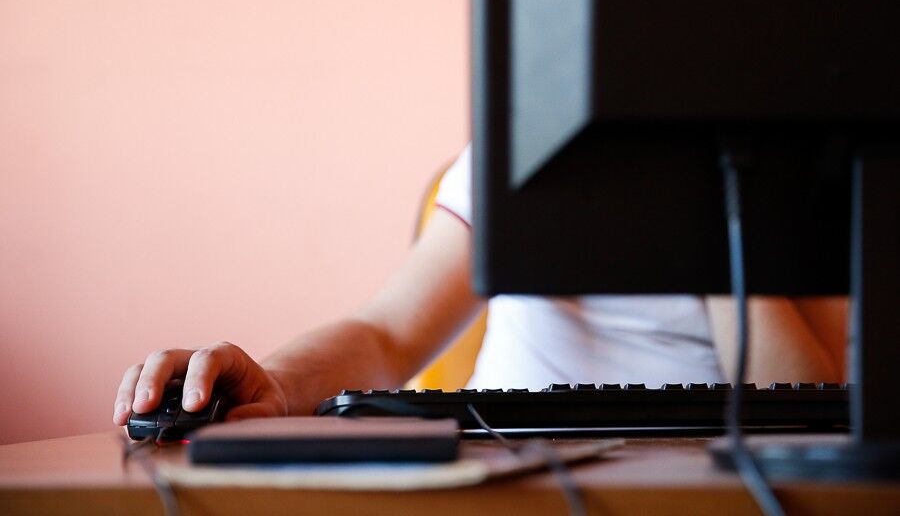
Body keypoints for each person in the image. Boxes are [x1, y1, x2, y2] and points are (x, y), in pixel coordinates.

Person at [112, 145, 848, 426]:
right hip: (516, 477)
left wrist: (715, 201)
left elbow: (813, 407)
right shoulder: (522, 149)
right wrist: (275, 384)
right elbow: (388, 334)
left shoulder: (798, 170)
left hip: (707, 491)